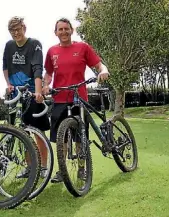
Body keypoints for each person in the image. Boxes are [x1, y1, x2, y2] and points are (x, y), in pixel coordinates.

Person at [42, 17, 110, 183]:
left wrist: (103, 70)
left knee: (80, 136)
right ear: (55, 32)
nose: (64, 32)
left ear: (72, 30)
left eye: (66, 29)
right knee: (61, 138)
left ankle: (81, 169)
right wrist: (45, 85)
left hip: (79, 98)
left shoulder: (82, 47)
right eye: (60, 29)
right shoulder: (52, 52)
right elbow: (49, 74)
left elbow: (98, 65)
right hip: (59, 98)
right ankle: (62, 171)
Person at [3, 16, 50, 178]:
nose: (16, 33)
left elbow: (38, 69)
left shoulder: (34, 44)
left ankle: (43, 167)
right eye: (12, 30)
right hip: (16, 96)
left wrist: (38, 92)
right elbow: (5, 67)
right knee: (20, 133)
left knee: (38, 132)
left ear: (24, 27)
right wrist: (8, 84)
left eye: (18, 29)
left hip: (31, 92)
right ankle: (29, 167)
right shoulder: (9, 46)